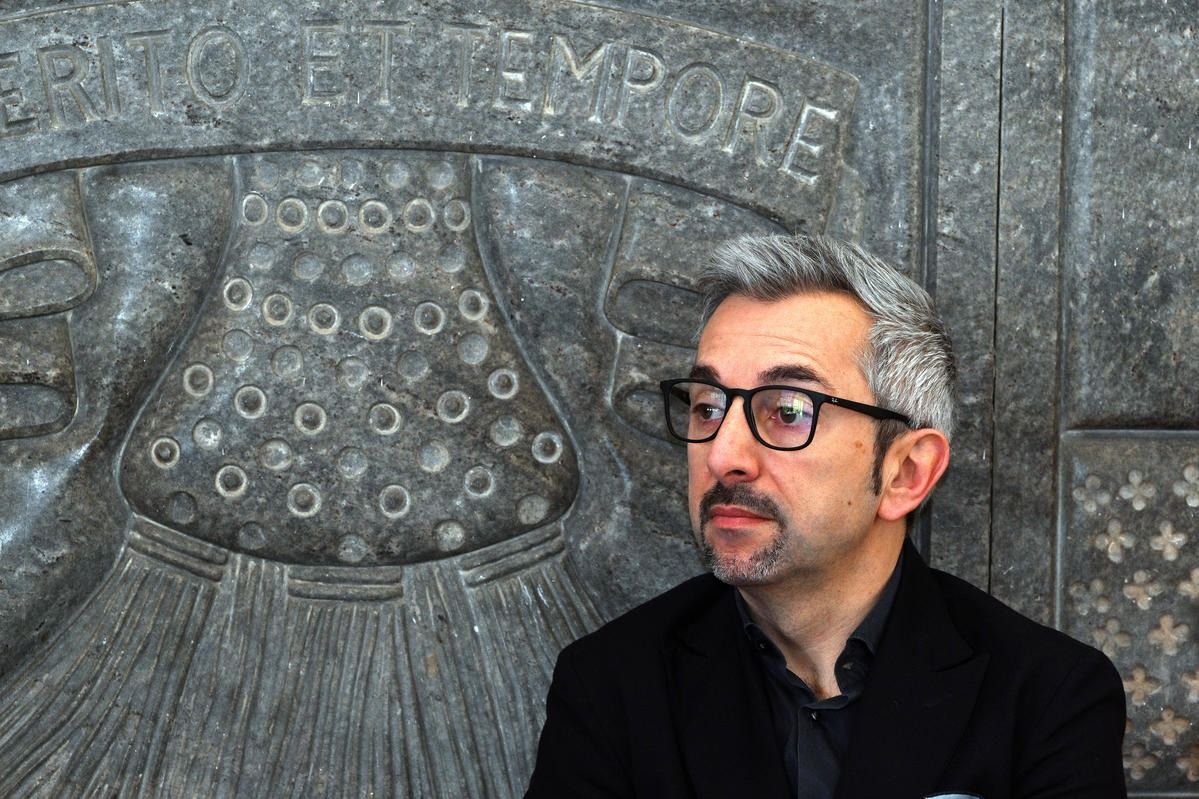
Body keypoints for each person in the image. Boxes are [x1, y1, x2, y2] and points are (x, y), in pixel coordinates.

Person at [524, 234, 1127, 798]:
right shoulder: (610, 686)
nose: (724, 455)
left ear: (906, 472)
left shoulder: (1048, 698)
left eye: (788, 411)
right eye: (708, 406)